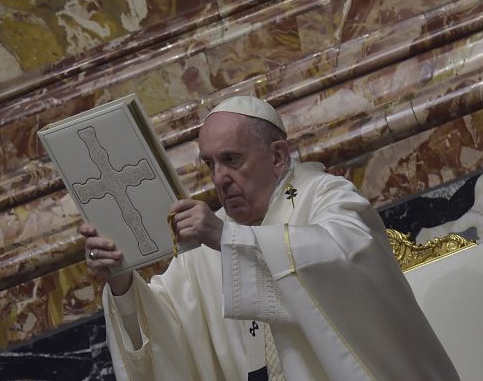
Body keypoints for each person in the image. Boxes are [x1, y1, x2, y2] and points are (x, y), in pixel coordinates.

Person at [79, 96, 458, 380]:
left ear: (277, 156)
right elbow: (168, 331)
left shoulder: (325, 196)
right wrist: (121, 282)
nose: (219, 178)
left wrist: (229, 239)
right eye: (210, 164)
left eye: (232, 160)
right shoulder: (210, 238)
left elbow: (349, 257)